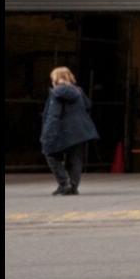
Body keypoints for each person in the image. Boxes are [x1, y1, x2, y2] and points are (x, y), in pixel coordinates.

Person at [41, 66, 99, 196]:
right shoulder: (78, 91)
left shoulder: (56, 92)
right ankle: (73, 187)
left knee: (50, 154)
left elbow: (53, 115)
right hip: (80, 130)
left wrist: (47, 134)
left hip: (61, 129)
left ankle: (64, 184)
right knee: (75, 158)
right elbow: (88, 105)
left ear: (55, 78)